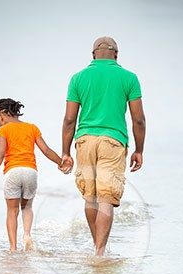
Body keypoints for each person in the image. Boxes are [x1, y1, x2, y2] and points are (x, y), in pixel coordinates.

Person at [62, 36, 146, 256]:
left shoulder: (78, 78)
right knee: (106, 198)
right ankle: (100, 251)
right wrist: (139, 150)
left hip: (85, 140)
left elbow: (70, 120)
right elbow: (138, 119)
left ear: (92, 55)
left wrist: (65, 152)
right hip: (113, 142)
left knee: (90, 197)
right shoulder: (129, 78)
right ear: (116, 55)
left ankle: (96, 246)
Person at [0, 98, 71, 252]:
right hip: (31, 172)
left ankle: (13, 248)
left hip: (13, 172)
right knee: (27, 206)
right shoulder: (32, 128)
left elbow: (0, 154)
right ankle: (27, 235)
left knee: (12, 211)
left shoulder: (3, 131)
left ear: (1, 113)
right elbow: (46, 150)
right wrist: (60, 163)